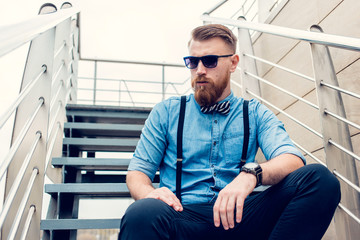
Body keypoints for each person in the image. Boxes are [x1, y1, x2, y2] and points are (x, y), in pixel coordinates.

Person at [118, 24, 340, 240]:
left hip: (241, 217)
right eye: (193, 62)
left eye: (210, 61)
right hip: (181, 217)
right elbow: (137, 173)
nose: (200, 70)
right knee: (141, 212)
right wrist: (149, 194)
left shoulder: (254, 113)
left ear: (233, 63)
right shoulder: (166, 112)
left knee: (320, 180)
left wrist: (250, 175)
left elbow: (292, 159)